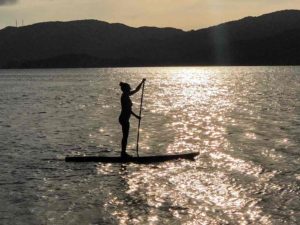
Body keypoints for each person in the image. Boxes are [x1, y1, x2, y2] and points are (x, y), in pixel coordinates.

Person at [119, 79, 146, 158]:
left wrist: (141, 82)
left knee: (125, 136)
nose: (130, 90)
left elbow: (137, 90)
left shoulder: (126, 95)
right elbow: (128, 110)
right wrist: (136, 116)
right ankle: (123, 153)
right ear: (125, 90)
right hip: (123, 119)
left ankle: (123, 153)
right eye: (128, 89)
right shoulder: (124, 97)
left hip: (125, 119)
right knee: (125, 136)